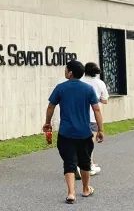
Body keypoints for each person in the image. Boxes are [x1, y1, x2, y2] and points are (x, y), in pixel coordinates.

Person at [44, 59, 104, 203]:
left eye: (66, 69)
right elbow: (96, 109)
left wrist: (47, 123)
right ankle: (85, 189)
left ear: (70, 73)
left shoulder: (61, 88)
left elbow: (51, 106)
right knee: (85, 162)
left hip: (66, 133)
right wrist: (100, 129)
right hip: (84, 133)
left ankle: (71, 193)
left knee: (69, 162)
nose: (65, 71)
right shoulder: (88, 89)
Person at [82, 62, 109, 175]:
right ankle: (88, 166)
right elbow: (105, 100)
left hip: (80, 115)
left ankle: (88, 163)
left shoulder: (80, 81)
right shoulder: (100, 83)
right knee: (90, 143)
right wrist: (96, 99)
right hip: (93, 116)